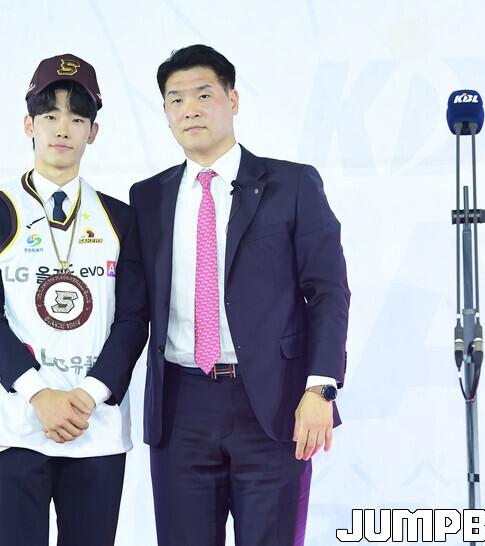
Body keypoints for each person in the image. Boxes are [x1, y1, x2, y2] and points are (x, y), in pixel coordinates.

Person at [128, 44, 351, 546]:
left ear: (232, 100)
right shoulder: (148, 197)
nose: (189, 109)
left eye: (203, 94)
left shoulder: (291, 184)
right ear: (165, 113)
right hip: (180, 409)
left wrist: (320, 387)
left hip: (273, 405)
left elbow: (328, 291)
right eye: (175, 99)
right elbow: (134, 308)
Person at [0, 53, 147, 546]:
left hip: (96, 422)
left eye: (77, 119)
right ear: (29, 125)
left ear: (93, 132)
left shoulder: (120, 218)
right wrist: (39, 395)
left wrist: (88, 396)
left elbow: (133, 320)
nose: (63, 129)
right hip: (20, 419)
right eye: (50, 115)